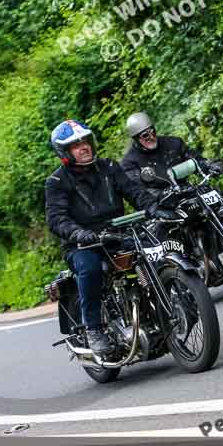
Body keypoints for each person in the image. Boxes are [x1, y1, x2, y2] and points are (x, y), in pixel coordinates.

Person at [45, 119, 174, 355]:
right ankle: (94, 328)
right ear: (64, 152)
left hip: (118, 233)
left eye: (86, 141)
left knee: (157, 250)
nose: (84, 147)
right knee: (91, 267)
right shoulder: (57, 182)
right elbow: (56, 218)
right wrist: (79, 233)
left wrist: (154, 208)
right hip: (82, 244)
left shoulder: (109, 167)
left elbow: (134, 192)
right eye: (76, 145)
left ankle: (171, 302)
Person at [120, 112, 223, 193]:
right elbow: (138, 191)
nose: (151, 137)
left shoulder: (173, 143)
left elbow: (195, 159)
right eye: (145, 135)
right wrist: (157, 195)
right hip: (161, 203)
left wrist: (209, 165)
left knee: (216, 197)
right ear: (136, 138)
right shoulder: (130, 162)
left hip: (187, 191)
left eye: (153, 131)